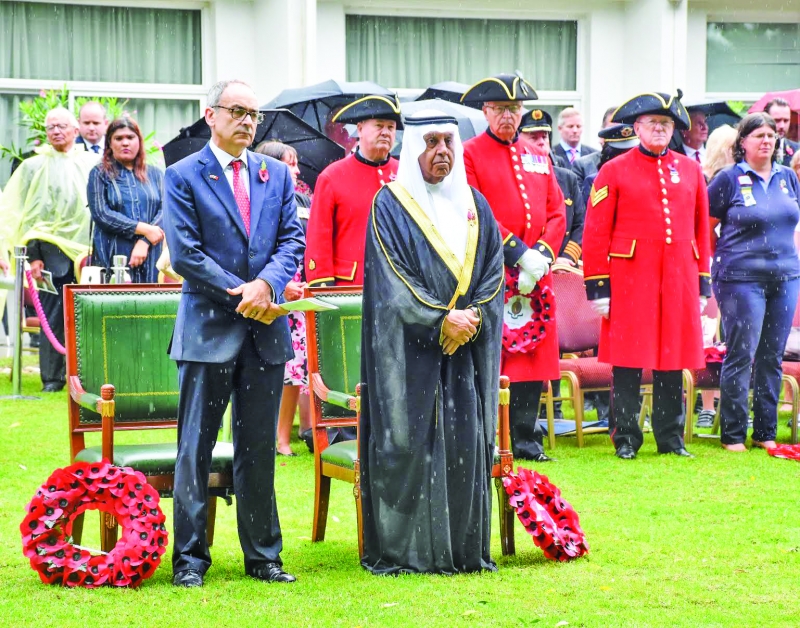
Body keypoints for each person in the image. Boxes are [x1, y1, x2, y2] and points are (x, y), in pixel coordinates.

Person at [163, 79, 305, 587]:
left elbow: (292, 240)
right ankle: (190, 560)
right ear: (211, 115)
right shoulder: (182, 174)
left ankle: (264, 557)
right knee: (195, 450)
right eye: (238, 111)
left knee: (259, 449)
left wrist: (266, 285)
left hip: (265, 333)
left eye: (254, 114)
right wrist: (243, 292)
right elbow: (185, 254)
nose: (247, 121)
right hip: (208, 331)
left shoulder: (275, 174)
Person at [359, 110, 504, 575]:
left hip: (465, 353)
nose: (442, 151)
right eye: (431, 142)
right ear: (413, 148)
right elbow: (391, 282)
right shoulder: (389, 205)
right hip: (410, 355)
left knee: (463, 443)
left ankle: (462, 548)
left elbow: (494, 273)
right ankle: (411, 551)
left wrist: (472, 318)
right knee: (411, 445)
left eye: (448, 142)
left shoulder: (477, 206)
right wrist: (439, 320)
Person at [583, 91, 711, 460]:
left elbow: (701, 228)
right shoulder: (614, 170)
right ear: (636, 128)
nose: (659, 129)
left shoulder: (690, 170)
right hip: (630, 279)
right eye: (652, 123)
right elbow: (596, 232)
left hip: (677, 278)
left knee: (672, 359)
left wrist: (702, 281)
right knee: (627, 361)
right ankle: (625, 437)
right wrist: (598, 286)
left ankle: (670, 438)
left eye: (666, 124)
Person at [462, 73, 566, 462]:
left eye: (514, 109)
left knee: (531, 357)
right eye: (501, 109)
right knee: (496, 357)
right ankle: (490, 438)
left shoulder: (537, 154)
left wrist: (541, 255)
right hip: (494, 268)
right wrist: (519, 254)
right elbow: (476, 209)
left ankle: (526, 439)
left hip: (537, 273)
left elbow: (557, 211)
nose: (508, 116)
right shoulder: (470, 153)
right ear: (486, 111)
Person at [707, 113, 800, 452]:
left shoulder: (787, 177)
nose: (767, 141)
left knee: (771, 355)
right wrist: (725, 260)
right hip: (740, 279)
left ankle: (764, 431)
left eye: (771, 135)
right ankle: (733, 434)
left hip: (785, 277)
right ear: (742, 142)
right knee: (741, 353)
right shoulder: (728, 179)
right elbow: (705, 226)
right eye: (759, 135)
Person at [0, 106, 97, 392]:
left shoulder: (92, 163)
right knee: (52, 318)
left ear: (75, 130)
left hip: (87, 256)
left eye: (61, 126)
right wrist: (34, 257)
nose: (56, 131)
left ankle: (87, 377)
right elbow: (27, 217)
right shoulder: (33, 166)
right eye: (51, 127)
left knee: (87, 317)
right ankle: (53, 379)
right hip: (49, 256)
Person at [305, 95, 402, 287]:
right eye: (379, 125)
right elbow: (319, 239)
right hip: (351, 287)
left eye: (391, 127)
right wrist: (322, 288)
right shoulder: (332, 176)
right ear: (360, 129)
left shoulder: (405, 173)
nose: (386, 132)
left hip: (398, 287)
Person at [254, 140, 312, 456]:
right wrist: (280, 284)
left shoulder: (302, 199)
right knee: (267, 370)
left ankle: (284, 438)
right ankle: (264, 435)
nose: (297, 170)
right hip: (268, 295)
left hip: (299, 295)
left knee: (295, 370)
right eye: (291, 163)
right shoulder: (256, 202)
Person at [87, 117, 164, 283]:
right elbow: (101, 214)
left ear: (139, 141)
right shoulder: (99, 174)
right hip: (112, 253)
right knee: (114, 297)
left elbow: (166, 210)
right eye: (118, 138)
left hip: (151, 255)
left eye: (130, 137)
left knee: (149, 298)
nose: (125, 143)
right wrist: (143, 228)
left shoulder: (156, 175)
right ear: (109, 143)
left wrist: (145, 241)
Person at [572, 106, 617, 188]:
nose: (617, 135)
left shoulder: (637, 163)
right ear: (602, 132)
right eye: (612, 129)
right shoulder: (583, 165)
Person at [764, 98, 799, 167]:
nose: (782, 126)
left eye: (786, 120)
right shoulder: (756, 149)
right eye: (777, 120)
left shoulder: (797, 150)